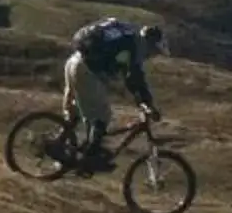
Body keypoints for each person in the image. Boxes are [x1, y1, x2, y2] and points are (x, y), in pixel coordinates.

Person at [62, 17, 164, 169]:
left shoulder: (127, 37)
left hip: (74, 60)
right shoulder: (136, 46)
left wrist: (140, 99)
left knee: (78, 108)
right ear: (150, 44)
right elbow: (135, 76)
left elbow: (128, 76)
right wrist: (147, 103)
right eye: (154, 51)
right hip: (86, 69)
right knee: (102, 115)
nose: (152, 56)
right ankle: (89, 159)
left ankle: (60, 142)